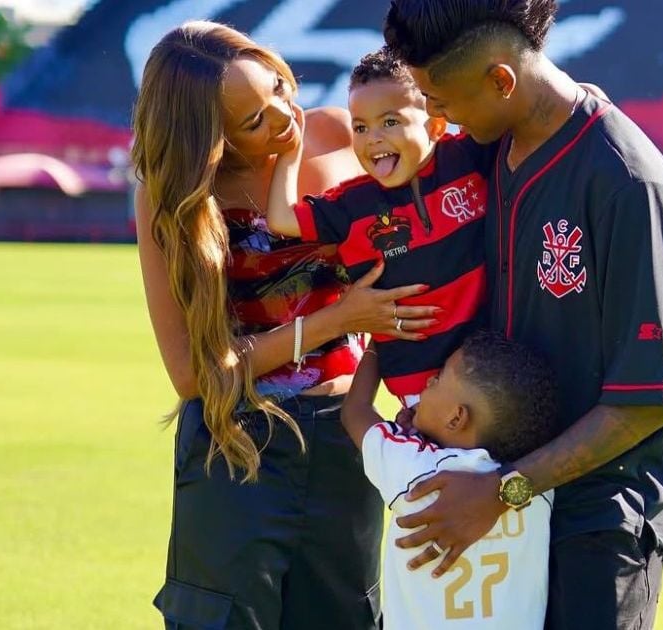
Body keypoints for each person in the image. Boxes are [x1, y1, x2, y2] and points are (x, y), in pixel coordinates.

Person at [382, 2, 663, 628]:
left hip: (595, 518)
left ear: (501, 80)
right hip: (492, 505)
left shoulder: (629, 181)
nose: (435, 119)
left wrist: (505, 491)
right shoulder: (484, 153)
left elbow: (651, 397)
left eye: (440, 100)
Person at [131, 21, 437, 629]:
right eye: (253, 120)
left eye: (276, 85)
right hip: (236, 445)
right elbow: (193, 375)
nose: (283, 116)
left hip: (344, 438)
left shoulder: (343, 133)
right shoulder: (171, 195)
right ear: (206, 138)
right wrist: (336, 321)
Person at [265, 48, 497, 409]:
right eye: (360, 127)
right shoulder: (351, 205)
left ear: (435, 125)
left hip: (489, 369)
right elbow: (281, 219)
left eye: (390, 122)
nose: (372, 138)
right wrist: (290, 152)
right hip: (420, 391)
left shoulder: (468, 157)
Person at [341, 329, 559, 629]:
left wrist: (381, 337)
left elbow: (356, 410)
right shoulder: (538, 484)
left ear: (457, 418)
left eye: (440, 377)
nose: (429, 381)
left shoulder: (417, 472)